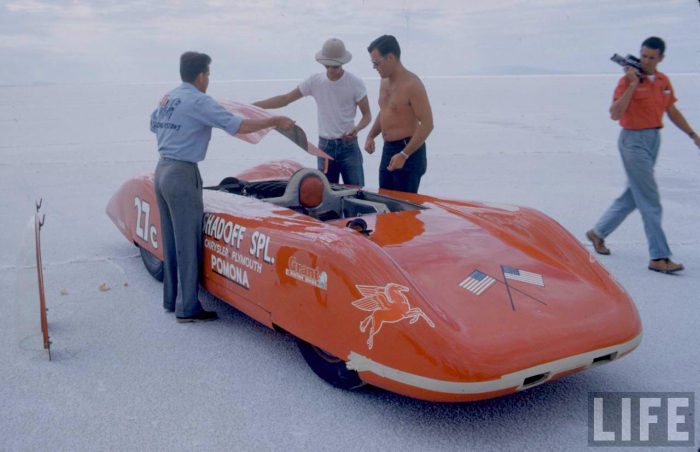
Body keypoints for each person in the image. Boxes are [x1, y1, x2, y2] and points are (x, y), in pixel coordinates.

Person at [150, 51, 294, 322]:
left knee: (170, 240)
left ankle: (172, 300)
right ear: (202, 75)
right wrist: (274, 120)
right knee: (187, 241)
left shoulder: (167, 97)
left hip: (162, 169)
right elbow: (238, 126)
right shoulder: (199, 100)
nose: (208, 80)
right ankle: (188, 308)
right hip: (181, 174)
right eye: (208, 75)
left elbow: (153, 125)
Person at [586, 37, 700, 274]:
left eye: (651, 57)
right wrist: (631, 84)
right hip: (632, 142)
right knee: (650, 201)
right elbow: (615, 114)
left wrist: (692, 134)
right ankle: (658, 257)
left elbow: (671, 110)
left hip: (653, 140)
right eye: (643, 55)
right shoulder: (626, 81)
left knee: (632, 196)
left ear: (661, 58)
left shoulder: (662, 81)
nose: (646, 61)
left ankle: (598, 233)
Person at [253, 38, 371, 186]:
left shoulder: (355, 83)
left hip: (349, 148)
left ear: (342, 63)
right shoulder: (315, 81)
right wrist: (254, 106)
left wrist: (357, 128)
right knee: (326, 196)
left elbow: (367, 115)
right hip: (324, 148)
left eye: (334, 66)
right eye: (327, 66)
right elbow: (285, 99)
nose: (330, 70)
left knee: (357, 192)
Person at [364, 35, 434, 194]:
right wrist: (370, 136)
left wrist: (404, 154)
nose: (374, 67)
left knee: (404, 208)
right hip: (388, 149)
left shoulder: (412, 84)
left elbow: (428, 124)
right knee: (385, 200)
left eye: (376, 62)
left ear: (390, 57)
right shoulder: (384, 81)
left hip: (409, 150)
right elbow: (385, 111)